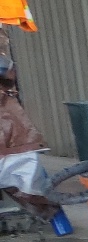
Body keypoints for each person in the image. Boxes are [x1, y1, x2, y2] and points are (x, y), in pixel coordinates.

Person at [0, 53, 55, 218]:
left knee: (26, 178)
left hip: (14, 144)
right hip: (15, 146)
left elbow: (6, 70)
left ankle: (44, 209)